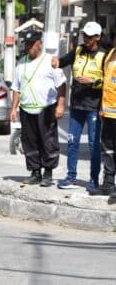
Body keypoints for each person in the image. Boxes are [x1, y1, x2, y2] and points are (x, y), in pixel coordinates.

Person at [52, 21, 105, 191]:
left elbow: (111, 82)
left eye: (90, 36)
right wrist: (56, 61)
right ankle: (71, 177)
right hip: (76, 106)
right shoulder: (78, 50)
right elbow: (63, 61)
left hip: (94, 107)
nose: (86, 39)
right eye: (85, 35)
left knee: (93, 145)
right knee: (72, 142)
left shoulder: (105, 55)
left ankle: (94, 180)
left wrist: (93, 81)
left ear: (98, 37)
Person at [11, 31, 66, 188]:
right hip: (26, 109)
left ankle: (48, 173)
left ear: (39, 43)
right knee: (29, 142)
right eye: (27, 44)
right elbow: (16, 88)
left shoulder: (50, 61)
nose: (29, 47)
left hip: (46, 108)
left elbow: (62, 84)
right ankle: (35, 172)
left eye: (32, 44)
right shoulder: (21, 63)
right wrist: (13, 108)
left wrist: (61, 105)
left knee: (47, 142)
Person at [93, 48, 116, 197]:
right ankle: (108, 184)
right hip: (108, 111)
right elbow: (107, 82)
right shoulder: (110, 54)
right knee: (108, 148)